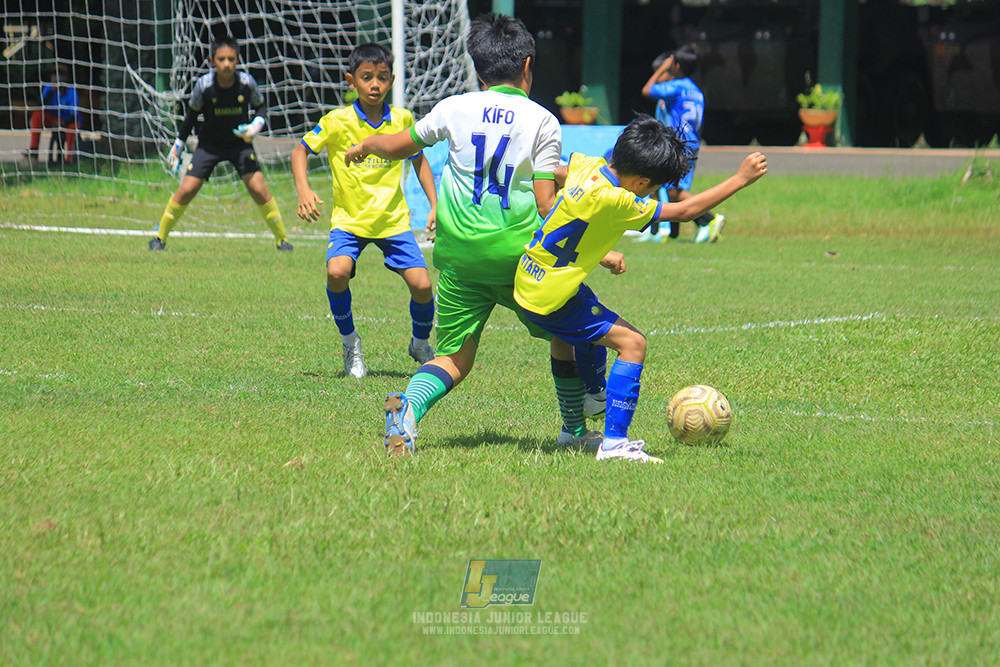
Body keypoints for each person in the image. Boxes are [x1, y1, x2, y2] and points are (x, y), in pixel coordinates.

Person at [344, 13, 602, 456]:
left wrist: (367, 144)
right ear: (527, 64)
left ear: (479, 71)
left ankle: (406, 409)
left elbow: (399, 145)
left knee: (455, 358)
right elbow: (544, 203)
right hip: (516, 258)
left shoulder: (454, 107)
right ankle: (576, 429)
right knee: (571, 329)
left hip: (459, 255)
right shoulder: (542, 120)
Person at [514, 116, 767, 462]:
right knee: (633, 343)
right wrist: (740, 179)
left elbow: (549, 171)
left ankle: (576, 424)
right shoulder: (617, 199)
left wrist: (591, 245)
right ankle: (615, 443)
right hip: (551, 294)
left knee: (570, 335)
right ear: (642, 181)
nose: (649, 195)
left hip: (534, 274)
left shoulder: (587, 166)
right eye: (650, 189)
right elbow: (685, 210)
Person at [291, 43, 439, 378]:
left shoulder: (402, 119)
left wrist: (434, 204)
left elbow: (419, 160)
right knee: (337, 272)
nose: (375, 84)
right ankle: (350, 343)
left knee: (422, 285)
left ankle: (419, 343)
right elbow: (300, 151)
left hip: (392, 221)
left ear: (392, 80)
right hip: (349, 221)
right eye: (367, 77)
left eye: (382, 78)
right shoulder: (336, 121)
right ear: (351, 81)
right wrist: (304, 189)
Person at [149, 36, 291, 252]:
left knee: (259, 189)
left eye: (231, 59)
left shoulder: (246, 83)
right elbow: (191, 116)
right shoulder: (204, 86)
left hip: (239, 145)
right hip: (209, 145)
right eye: (222, 59)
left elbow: (261, 107)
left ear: (237, 60)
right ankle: (160, 238)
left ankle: (282, 240)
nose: (226, 64)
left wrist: (255, 125)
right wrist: (178, 144)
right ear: (212, 61)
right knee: (186, 190)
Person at [638, 44, 725, 244]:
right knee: (670, 188)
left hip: (678, 142)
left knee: (673, 191)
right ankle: (670, 233)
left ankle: (709, 219)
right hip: (692, 142)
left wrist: (662, 68)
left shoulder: (677, 86)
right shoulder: (696, 91)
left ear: (675, 66)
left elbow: (647, 90)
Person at [23, 63, 81, 166]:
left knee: (73, 127)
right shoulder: (48, 88)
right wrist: (51, 92)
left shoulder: (72, 92)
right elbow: (40, 106)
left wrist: (62, 122)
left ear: (66, 77)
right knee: (37, 115)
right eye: (54, 73)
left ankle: (69, 159)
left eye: (61, 74)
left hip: (67, 121)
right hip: (52, 119)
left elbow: (74, 116)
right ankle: (34, 151)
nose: (57, 77)